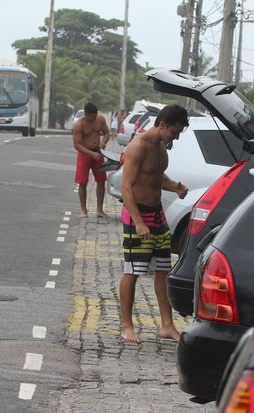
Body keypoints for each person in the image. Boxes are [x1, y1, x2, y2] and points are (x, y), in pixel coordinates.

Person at [119, 104, 189, 344]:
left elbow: (157, 178)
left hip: (157, 215)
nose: (176, 137)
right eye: (175, 131)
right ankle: (127, 326)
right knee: (133, 271)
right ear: (162, 125)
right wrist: (138, 222)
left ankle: (166, 325)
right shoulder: (137, 147)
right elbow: (126, 187)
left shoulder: (161, 147)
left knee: (163, 270)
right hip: (137, 215)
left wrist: (175, 187)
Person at [72, 102, 110, 218]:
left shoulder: (100, 119)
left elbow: (107, 133)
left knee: (101, 180)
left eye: (95, 115)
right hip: (85, 153)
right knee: (82, 182)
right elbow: (77, 145)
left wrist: (103, 142)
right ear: (86, 114)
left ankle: (99, 209)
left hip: (98, 152)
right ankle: (84, 210)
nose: (93, 118)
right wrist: (91, 154)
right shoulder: (79, 124)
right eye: (91, 116)